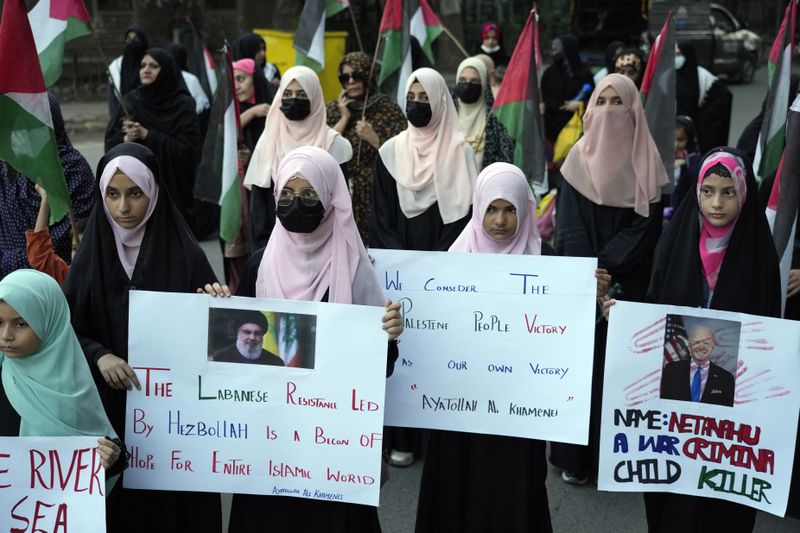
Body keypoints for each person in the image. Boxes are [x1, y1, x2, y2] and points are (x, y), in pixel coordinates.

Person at [228, 146, 402, 532]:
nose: (296, 205)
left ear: (329, 199)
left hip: (330, 439)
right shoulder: (259, 264)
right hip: (270, 434)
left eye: (309, 196)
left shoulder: (355, 265)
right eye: (287, 194)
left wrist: (388, 335)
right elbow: (234, 358)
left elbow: (380, 366)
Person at [63, 143, 223, 532]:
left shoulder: (186, 256)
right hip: (109, 412)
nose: (123, 207)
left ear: (153, 192)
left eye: (135, 192)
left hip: (175, 416)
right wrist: (99, 355)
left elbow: (219, 342)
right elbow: (65, 331)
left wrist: (217, 306)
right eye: (112, 194)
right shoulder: (91, 257)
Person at [623, 147, 780, 532]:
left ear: (744, 194)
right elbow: (652, 312)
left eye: (728, 192)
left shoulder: (759, 255)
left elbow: (768, 336)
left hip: (731, 423)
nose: (717, 203)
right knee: (674, 500)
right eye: (708, 190)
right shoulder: (674, 246)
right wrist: (622, 319)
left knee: (720, 504)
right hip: (675, 416)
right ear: (696, 192)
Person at [415, 163, 553, 532]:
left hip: (518, 409)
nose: (501, 220)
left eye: (510, 209)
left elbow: (561, 335)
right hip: (460, 408)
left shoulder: (549, 265)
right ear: (477, 208)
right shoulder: (450, 263)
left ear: (526, 209)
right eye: (491, 209)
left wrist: (592, 297)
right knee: (457, 482)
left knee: (514, 487)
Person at [551, 74, 668, 485]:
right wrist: (589, 272)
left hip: (628, 288)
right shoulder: (574, 163)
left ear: (635, 110)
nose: (609, 112)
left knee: (619, 373)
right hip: (583, 287)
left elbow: (646, 228)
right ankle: (576, 459)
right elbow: (567, 227)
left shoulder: (648, 163)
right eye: (602, 102)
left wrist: (608, 270)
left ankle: (616, 461)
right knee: (580, 374)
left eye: (620, 103)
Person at [371, 67, 477, 466]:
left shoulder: (459, 151)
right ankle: (403, 437)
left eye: (424, 97)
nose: (416, 104)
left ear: (440, 102)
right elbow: (380, 216)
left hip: (444, 266)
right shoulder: (390, 151)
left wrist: (435, 262)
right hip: (399, 270)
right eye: (410, 97)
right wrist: (402, 261)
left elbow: (466, 218)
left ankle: (438, 437)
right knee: (401, 349)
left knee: (441, 350)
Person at [0, 269, 124, 478]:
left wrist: (109, 458)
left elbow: (102, 451)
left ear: (50, 322)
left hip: (53, 507)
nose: (6, 336)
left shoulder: (78, 385)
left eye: (21, 324)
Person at [244, 66, 352, 249]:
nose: (294, 99)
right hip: (275, 246)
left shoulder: (335, 144)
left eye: (302, 95)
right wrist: (263, 253)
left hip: (326, 246)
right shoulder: (269, 143)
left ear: (315, 99)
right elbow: (259, 208)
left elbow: (341, 206)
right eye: (288, 93)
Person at [1, 92, 95, 278]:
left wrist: (22, 259)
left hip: (54, 279)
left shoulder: (72, 168)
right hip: (8, 282)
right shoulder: (8, 167)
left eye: (30, 124)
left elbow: (76, 234)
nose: (21, 131)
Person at [105, 48, 201, 230]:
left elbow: (188, 151)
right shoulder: (131, 101)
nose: (146, 70)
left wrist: (148, 135)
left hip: (173, 191)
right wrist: (127, 138)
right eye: (143, 65)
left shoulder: (184, 105)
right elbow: (111, 143)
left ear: (166, 70)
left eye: (153, 66)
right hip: (137, 191)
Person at [326, 52, 407, 245]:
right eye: (345, 77)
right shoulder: (332, 110)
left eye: (357, 75)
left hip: (376, 195)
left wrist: (375, 139)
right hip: (340, 192)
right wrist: (344, 118)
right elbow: (323, 148)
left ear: (368, 76)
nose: (351, 81)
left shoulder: (387, 109)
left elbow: (403, 155)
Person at [453, 57, 514, 170]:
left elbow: (505, 161)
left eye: (475, 81)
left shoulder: (496, 119)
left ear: (484, 84)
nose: (467, 85)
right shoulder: (445, 118)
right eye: (462, 80)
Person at [676, 41, 733, 153]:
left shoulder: (702, 76)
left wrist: (702, 117)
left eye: (679, 55)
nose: (676, 58)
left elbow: (725, 96)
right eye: (675, 55)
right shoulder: (672, 76)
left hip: (698, 129)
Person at [25, 185, 87, 285]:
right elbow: (39, 254)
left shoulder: (109, 278)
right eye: (75, 249)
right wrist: (45, 201)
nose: (78, 255)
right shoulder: (68, 275)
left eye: (85, 250)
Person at [660, 325, 735, 406]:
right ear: (689, 345)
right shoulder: (671, 370)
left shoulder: (726, 379)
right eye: (696, 342)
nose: (701, 347)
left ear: (713, 347)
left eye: (706, 343)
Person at [541, 35, 594, 147]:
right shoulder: (549, 74)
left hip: (580, 128)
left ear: (567, 50)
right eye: (552, 49)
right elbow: (548, 100)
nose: (553, 52)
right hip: (554, 130)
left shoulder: (585, 74)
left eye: (556, 49)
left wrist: (581, 104)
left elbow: (594, 99)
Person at [212, 310, 284, 366]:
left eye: (257, 333)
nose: (252, 337)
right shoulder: (221, 357)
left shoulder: (275, 361)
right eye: (247, 332)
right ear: (237, 333)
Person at [107, 25, 148, 116]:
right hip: (124, 117)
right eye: (129, 38)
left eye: (136, 39)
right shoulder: (116, 66)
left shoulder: (151, 63)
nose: (132, 42)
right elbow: (112, 100)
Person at [671, 115, 702, 210]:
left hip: (684, 207)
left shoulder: (694, 160)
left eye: (681, 140)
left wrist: (683, 167)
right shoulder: (663, 157)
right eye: (672, 138)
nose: (675, 144)